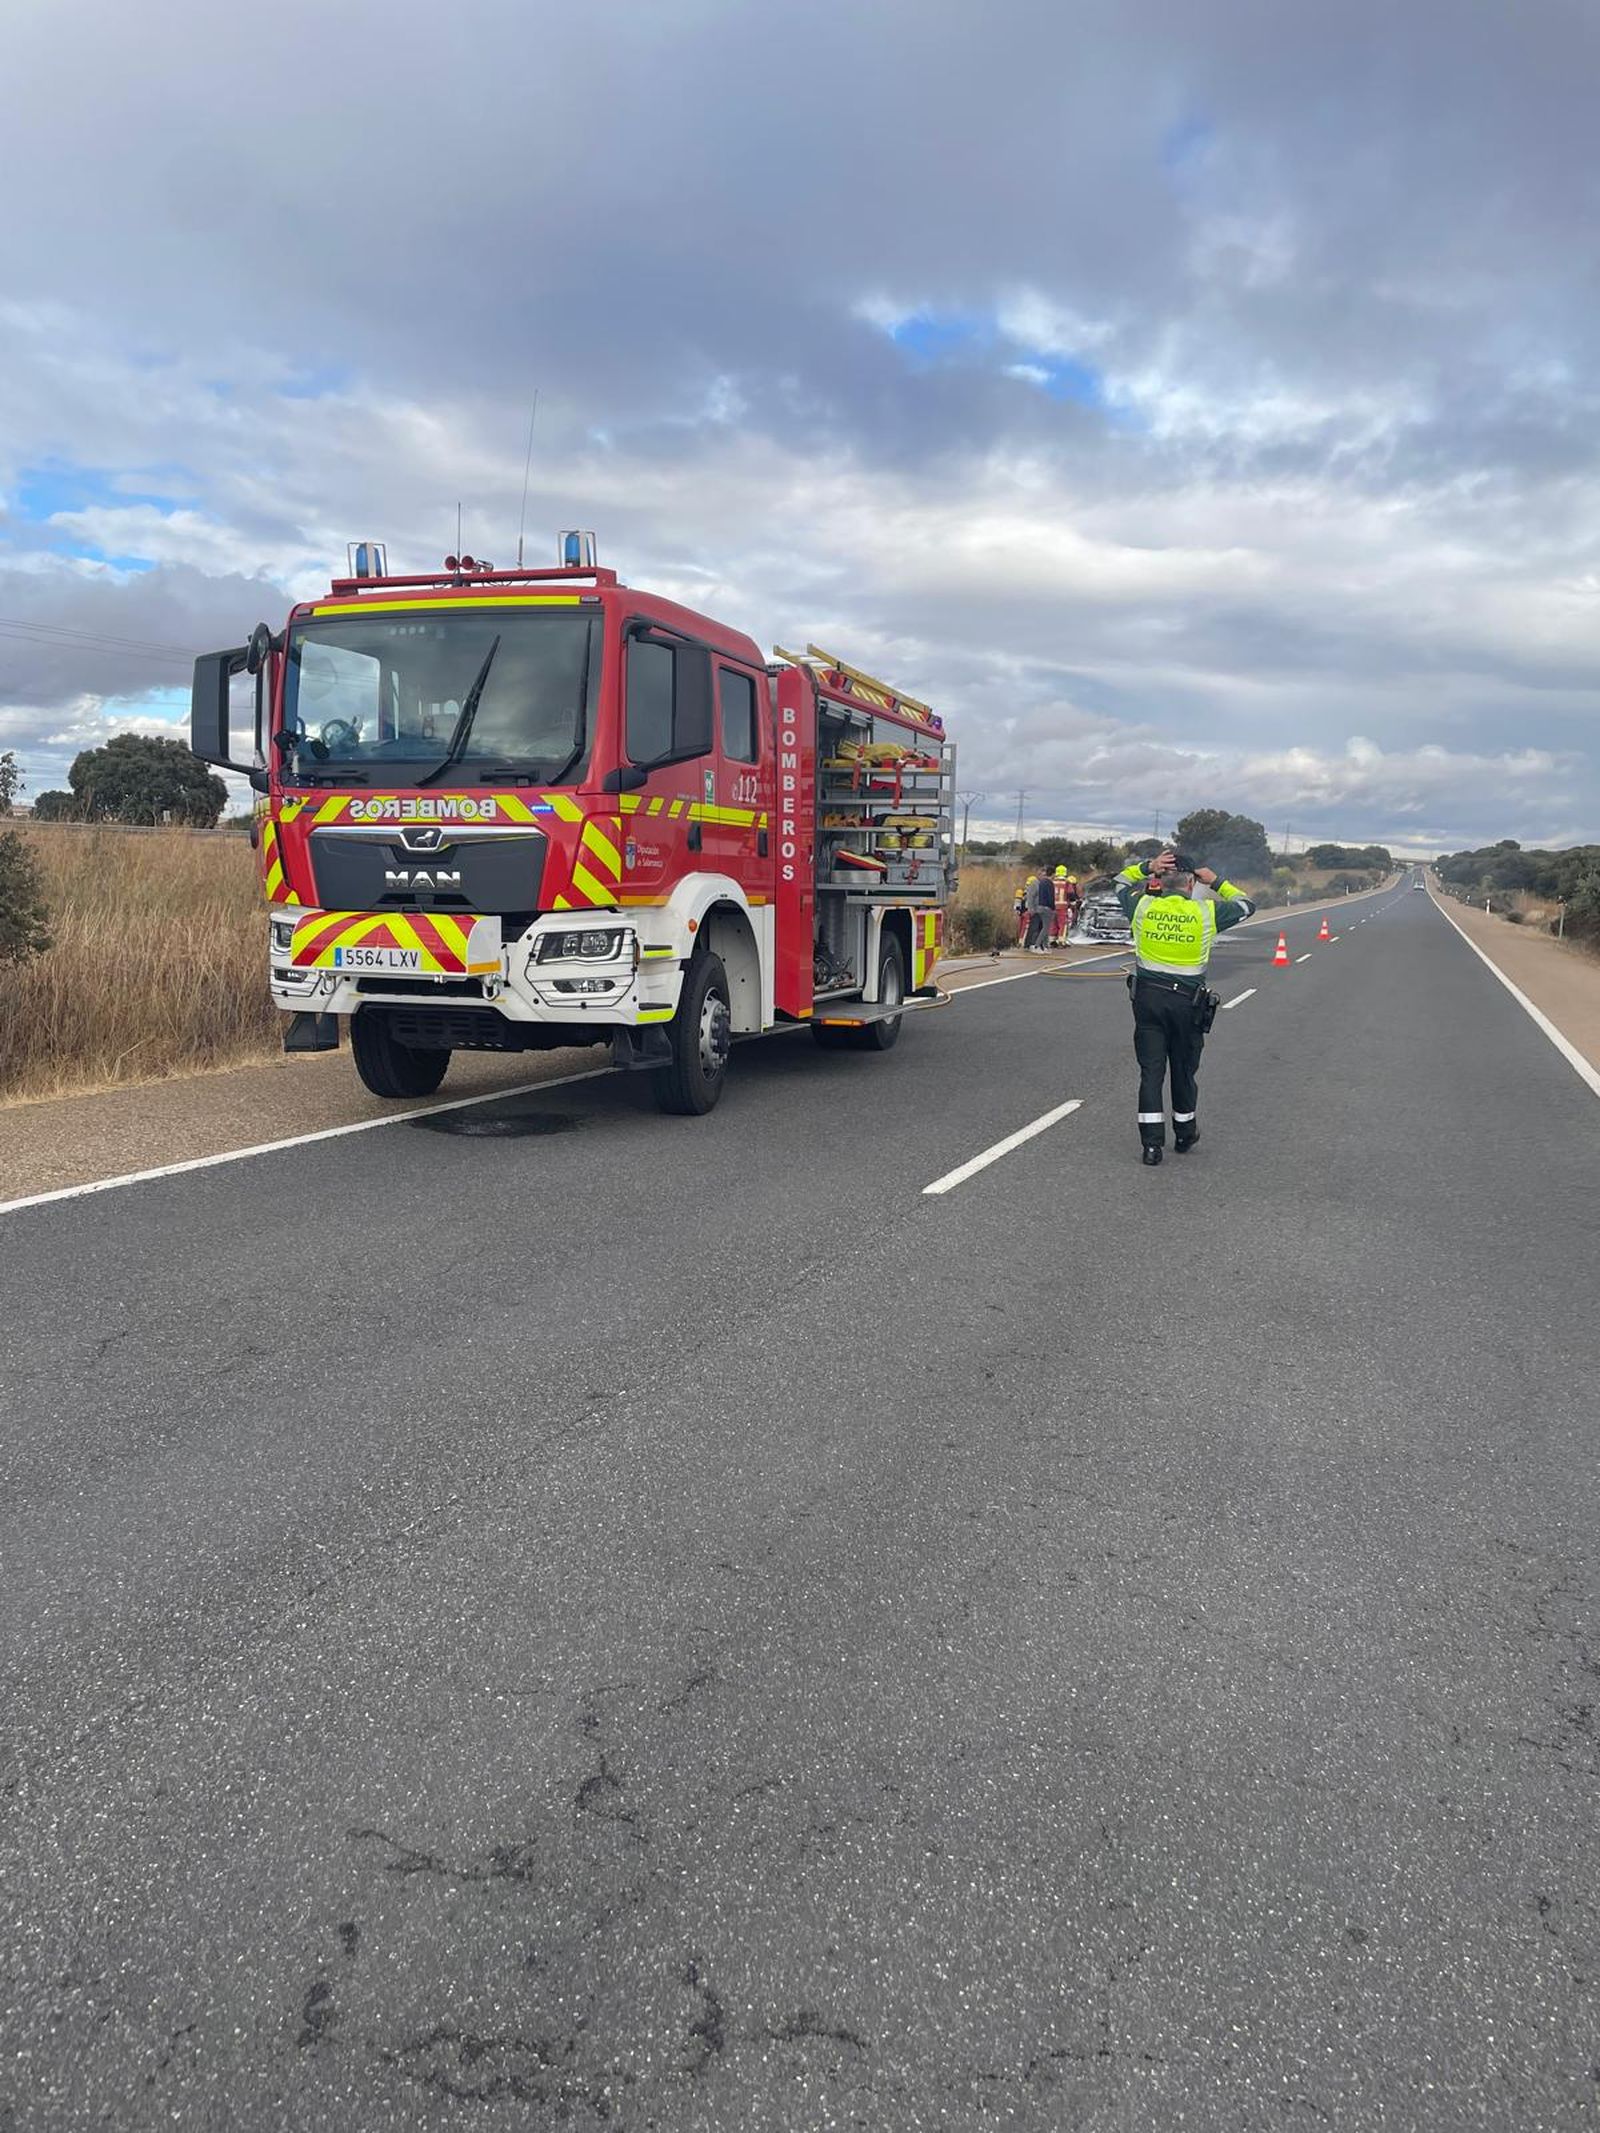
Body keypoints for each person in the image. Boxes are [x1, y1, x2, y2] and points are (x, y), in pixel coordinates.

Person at [1115, 849, 1254, 1165]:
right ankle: (1184, 1133)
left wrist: (1145, 867)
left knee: (1151, 1072)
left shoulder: (1142, 906)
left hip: (1148, 1001)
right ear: (1191, 883)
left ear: (1159, 881)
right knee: (1183, 1070)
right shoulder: (1205, 913)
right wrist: (1217, 881)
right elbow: (1248, 905)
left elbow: (1120, 883)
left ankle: (1152, 1147)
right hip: (1187, 1005)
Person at [1024, 872, 1051, 952]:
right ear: (1039, 875)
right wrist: (1031, 909)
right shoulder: (1034, 884)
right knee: (1034, 927)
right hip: (1035, 910)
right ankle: (1030, 944)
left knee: (1041, 928)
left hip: (1043, 910)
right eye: (1043, 875)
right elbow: (1030, 897)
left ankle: (1039, 945)